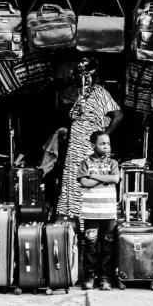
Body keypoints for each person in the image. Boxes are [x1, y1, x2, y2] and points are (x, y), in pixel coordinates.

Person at [56, 57, 123, 220]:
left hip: (89, 149)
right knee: (76, 182)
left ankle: (89, 227)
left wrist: (102, 138)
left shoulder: (99, 92)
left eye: (78, 74)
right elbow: (81, 119)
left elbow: (118, 115)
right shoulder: (78, 94)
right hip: (76, 147)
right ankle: (76, 221)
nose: (74, 77)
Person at [77, 131, 120, 291]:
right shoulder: (85, 163)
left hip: (109, 212)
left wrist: (94, 176)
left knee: (108, 247)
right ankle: (89, 277)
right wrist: (104, 178)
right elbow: (84, 183)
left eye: (108, 144)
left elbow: (115, 179)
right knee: (90, 246)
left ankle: (105, 278)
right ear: (93, 145)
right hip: (91, 212)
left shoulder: (113, 163)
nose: (106, 146)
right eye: (102, 144)